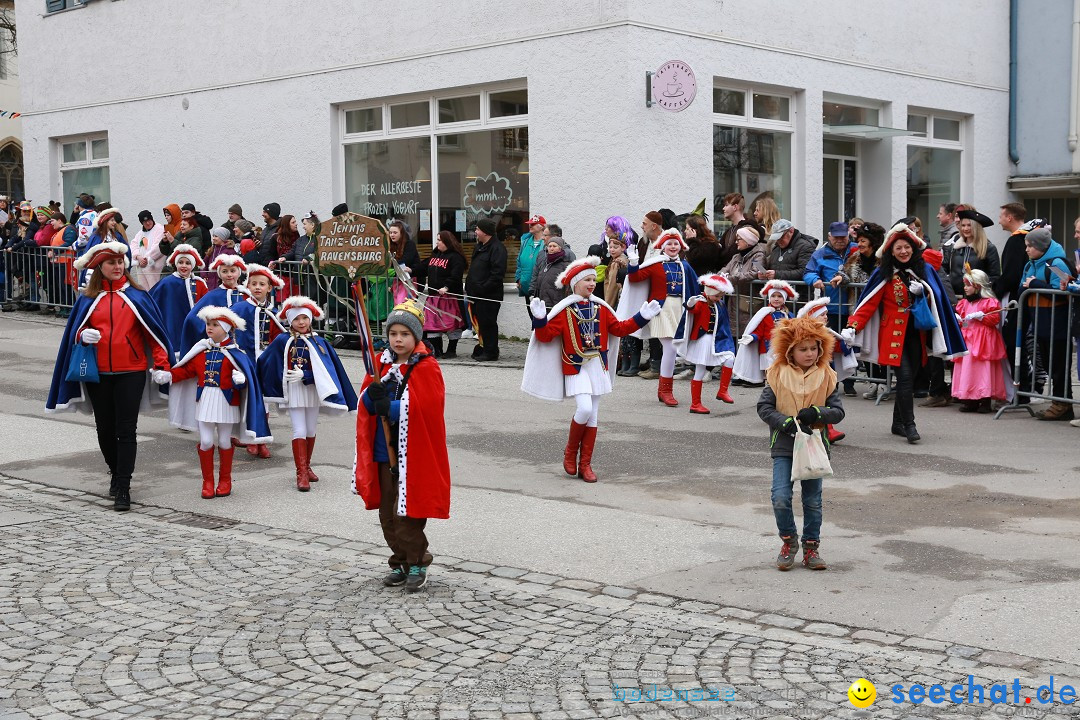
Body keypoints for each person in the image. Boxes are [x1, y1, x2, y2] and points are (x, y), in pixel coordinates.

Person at [46, 241, 173, 511]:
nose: (117, 267)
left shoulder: (138, 296)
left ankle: (124, 486)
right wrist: (82, 335)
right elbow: (73, 335)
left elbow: (154, 335)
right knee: (105, 428)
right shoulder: (88, 300)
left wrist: (162, 365)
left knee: (126, 430)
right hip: (99, 373)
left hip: (132, 372)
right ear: (100, 268)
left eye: (119, 263)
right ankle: (115, 472)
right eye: (110, 263)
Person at [522, 256, 660, 481]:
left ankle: (585, 464)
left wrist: (642, 317)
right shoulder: (565, 310)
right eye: (586, 279)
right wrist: (539, 320)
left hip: (597, 365)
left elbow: (619, 329)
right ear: (575, 283)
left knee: (593, 416)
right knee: (584, 409)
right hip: (575, 366)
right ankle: (570, 452)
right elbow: (546, 337)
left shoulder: (601, 307)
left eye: (593, 279)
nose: (591, 283)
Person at [354, 299, 451, 592]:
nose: (398, 339)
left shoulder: (427, 367)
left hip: (412, 454)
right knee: (387, 514)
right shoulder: (380, 364)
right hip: (384, 452)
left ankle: (418, 560)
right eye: (394, 333)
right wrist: (372, 396)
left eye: (405, 334)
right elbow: (367, 406)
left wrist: (393, 408)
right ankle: (400, 561)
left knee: (406, 513)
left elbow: (429, 407)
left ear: (416, 336)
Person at [843, 223, 966, 443]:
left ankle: (897, 422)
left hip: (918, 335)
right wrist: (853, 326)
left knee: (911, 381)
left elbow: (937, 298)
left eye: (906, 247)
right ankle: (910, 425)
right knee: (906, 379)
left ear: (913, 248)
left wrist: (925, 294)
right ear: (891, 251)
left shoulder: (924, 269)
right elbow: (868, 304)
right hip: (893, 336)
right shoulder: (884, 273)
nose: (903, 251)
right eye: (898, 248)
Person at [756, 315, 845, 571]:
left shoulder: (827, 375)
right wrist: (784, 422)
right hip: (785, 443)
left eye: (814, 348)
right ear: (790, 351)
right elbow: (764, 407)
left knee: (812, 500)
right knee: (780, 496)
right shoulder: (777, 373)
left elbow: (837, 412)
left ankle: (811, 547)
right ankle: (788, 541)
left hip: (814, 445)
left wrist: (817, 414)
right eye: (802, 349)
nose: (809, 354)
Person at [159, 306, 270, 499]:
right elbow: (186, 371)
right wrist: (169, 375)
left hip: (227, 403)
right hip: (204, 401)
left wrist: (241, 381)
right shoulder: (201, 350)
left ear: (226, 328)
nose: (209, 328)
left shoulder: (237, 354)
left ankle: (225, 480)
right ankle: (207, 482)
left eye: (215, 325)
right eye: (208, 324)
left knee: (225, 441)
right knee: (207, 440)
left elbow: (247, 381)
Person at [258, 296, 358, 491]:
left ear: (310, 319)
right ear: (290, 321)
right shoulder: (282, 340)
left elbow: (328, 370)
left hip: (312, 390)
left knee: (311, 429)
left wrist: (307, 375)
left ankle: (307, 466)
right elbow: (266, 362)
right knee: (299, 430)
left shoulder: (319, 342)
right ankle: (300, 472)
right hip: (294, 391)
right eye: (296, 319)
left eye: (304, 318)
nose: (301, 322)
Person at [622, 227, 700, 406]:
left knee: (674, 349)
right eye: (669, 244)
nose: (673, 247)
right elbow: (634, 279)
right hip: (661, 309)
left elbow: (695, 287)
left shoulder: (685, 265)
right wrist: (633, 262)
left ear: (681, 246)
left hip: (680, 309)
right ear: (663, 246)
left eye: (676, 244)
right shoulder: (655, 263)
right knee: (671, 349)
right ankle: (666, 390)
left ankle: (663, 389)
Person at [1018, 227, 1074, 420]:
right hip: (1040, 322)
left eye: (1030, 246)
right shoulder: (1030, 264)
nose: (1027, 250)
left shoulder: (1056, 263)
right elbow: (1022, 287)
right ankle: (1059, 403)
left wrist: (1034, 285)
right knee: (1050, 365)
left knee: (1059, 366)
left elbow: (1066, 290)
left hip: (1057, 323)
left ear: (1041, 246)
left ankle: (1063, 404)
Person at [804, 221, 855, 393]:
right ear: (829, 237)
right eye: (837, 237)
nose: (841, 240)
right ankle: (832, 382)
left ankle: (850, 383)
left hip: (853, 308)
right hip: (832, 308)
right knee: (830, 347)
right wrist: (814, 280)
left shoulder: (855, 250)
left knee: (851, 345)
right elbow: (808, 272)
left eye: (844, 237)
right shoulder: (820, 254)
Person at [676, 273, 736, 412]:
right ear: (709, 292)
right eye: (717, 296)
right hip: (702, 341)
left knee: (729, 358)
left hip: (717, 340)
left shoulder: (718, 304)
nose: (719, 299)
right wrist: (691, 303)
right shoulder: (700, 302)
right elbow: (692, 309)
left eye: (721, 296)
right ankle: (695, 404)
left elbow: (723, 323)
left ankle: (723, 391)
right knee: (700, 372)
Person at [952, 269, 1009, 413]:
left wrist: (982, 317)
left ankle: (985, 399)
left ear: (978, 286)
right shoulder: (963, 303)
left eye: (968, 285)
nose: (965, 288)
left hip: (984, 340)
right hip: (968, 339)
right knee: (968, 369)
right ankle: (969, 399)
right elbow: (962, 320)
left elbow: (995, 319)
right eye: (965, 284)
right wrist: (958, 319)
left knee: (983, 369)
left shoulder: (989, 302)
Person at [993, 204, 1037, 379]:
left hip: (1018, 298)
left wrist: (995, 288)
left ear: (1009, 217)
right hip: (1025, 296)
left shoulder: (1016, 240)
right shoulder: (1028, 237)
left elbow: (1012, 275)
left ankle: (1022, 387)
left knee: (1014, 342)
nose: (999, 220)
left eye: (1001, 216)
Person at [179, 255, 250, 356]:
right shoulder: (212, 296)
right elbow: (192, 319)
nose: (229, 275)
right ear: (219, 274)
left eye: (233, 271)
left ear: (239, 273)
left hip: (245, 345)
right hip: (219, 348)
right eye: (225, 271)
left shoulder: (247, 295)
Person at [733, 280, 797, 386]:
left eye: (779, 296)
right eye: (773, 296)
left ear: (784, 298)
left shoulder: (789, 315)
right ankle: (770, 395)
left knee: (782, 375)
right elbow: (759, 331)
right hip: (767, 351)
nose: (776, 299)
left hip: (783, 349)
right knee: (770, 375)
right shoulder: (764, 314)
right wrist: (751, 337)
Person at [149, 245, 208, 361]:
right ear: (176, 264)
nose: (184, 266)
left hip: (195, 328)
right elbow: (151, 301)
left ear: (193, 265)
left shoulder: (199, 283)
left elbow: (208, 304)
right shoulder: (167, 283)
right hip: (173, 326)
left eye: (187, 263)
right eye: (181, 262)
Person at [416, 230, 466, 358]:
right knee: (432, 324)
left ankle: (451, 350)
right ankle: (436, 349)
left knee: (451, 325)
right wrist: (410, 270)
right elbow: (423, 268)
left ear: (447, 242)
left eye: (439, 240)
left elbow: (456, 275)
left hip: (449, 298)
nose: (437, 242)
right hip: (434, 297)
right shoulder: (435, 255)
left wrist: (446, 286)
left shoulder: (456, 257)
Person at [464, 218, 507, 362]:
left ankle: (491, 351)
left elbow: (497, 274)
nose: (475, 232)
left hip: (488, 295)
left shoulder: (497, 248)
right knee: (479, 323)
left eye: (477, 229)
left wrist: (482, 288)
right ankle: (482, 346)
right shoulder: (479, 247)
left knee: (488, 323)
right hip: (475, 294)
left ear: (485, 232)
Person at [944, 208, 1001, 295]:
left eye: (969, 225)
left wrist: (979, 291)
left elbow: (994, 277)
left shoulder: (988, 248)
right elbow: (946, 271)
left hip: (978, 299)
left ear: (976, 227)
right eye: (963, 225)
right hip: (954, 297)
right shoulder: (954, 248)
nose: (965, 228)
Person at [129, 211, 166, 290]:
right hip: (142, 269)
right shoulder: (140, 234)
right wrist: (138, 257)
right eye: (145, 222)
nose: (148, 223)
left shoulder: (160, 229)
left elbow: (158, 247)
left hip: (155, 268)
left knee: (156, 291)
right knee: (145, 292)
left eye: (149, 220)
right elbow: (133, 246)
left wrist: (145, 259)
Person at [533, 236, 572, 311]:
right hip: (543, 304)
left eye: (554, 246)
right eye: (549, 246)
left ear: (560, 248)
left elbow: (569, 288)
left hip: (557, 305)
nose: (551, 248)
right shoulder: (544, 263)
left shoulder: (566, 265)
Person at [388, 219, 421, 306]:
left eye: (395, 232)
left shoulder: (409, 244)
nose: (392, 235)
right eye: (390, 232)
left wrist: (388, 264)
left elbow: (406, 260)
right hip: (396, 281)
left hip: (409, 281)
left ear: (402, 233)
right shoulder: (390, 245)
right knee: (396, 304)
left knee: (403, 305)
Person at [516, 214, 546, 299]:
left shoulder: (547, 243)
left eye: (533, 224)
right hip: (526, 286)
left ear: (541, 227)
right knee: (530, 311)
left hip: (541, 288)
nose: (530, 225)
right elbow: (519, 262)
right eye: (530, 224)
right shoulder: (525, 242)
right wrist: (518, 279)